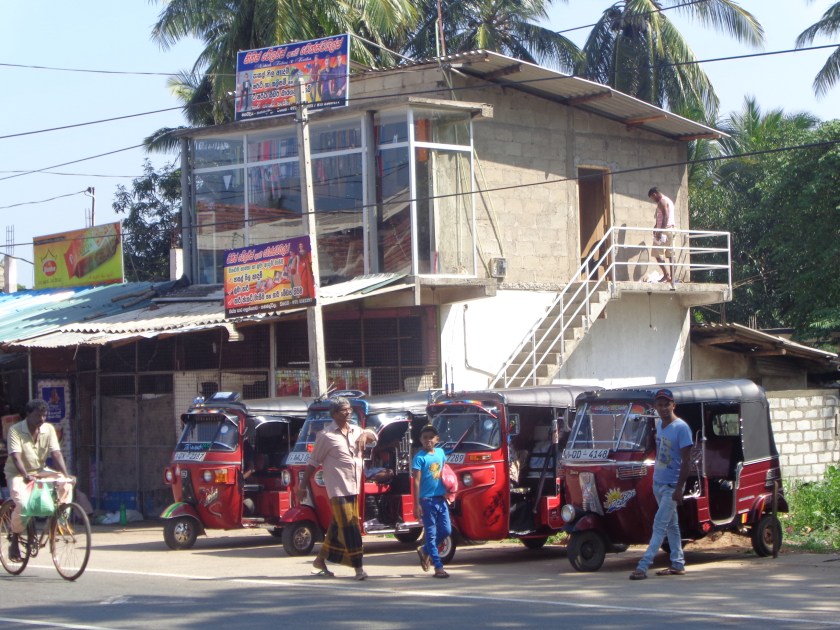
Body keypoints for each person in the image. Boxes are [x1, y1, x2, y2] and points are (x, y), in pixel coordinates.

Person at [295, 397, 377, 580]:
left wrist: (366, 435)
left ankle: (319, 561)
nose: (348, 413)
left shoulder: (357, 430)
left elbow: (374, 435)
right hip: (338, 490)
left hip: (354, 488)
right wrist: (301, 486)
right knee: (351, 527)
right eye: (343, 410)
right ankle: (358, 568)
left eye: (349, 409)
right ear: (334, 414)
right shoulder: (326, 436)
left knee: (336, 527)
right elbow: (312, 462)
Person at [629, 388, 693, 580]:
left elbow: (687, 461)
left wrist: (679, 488)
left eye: (667, 404)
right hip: (658, 483)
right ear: (655, 407)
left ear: (674, 405)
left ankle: (643, 565)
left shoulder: (682, 428)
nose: (663, 408)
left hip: (672, 486)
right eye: (660, 405)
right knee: (671, 525)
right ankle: (677, 563)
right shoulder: (660, 425)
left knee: (659, 525)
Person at [4, 399, 74, 562]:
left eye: (44, 415)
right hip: (17, 473)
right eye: (38, 415)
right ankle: (14, 538)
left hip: (40, 471)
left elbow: (56, 453)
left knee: (66, 484)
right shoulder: (15, 430)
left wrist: (65, 474)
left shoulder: (48, 429)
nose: (42, 419)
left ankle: (59, 518)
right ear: (28, 415)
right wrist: (26, 476)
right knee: (22, 504)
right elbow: (15, 457)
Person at [412, 424, 452, 578]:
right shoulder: (419, 458)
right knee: (431, 534)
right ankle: (438, 567)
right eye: (424, 437)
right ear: (420, 440)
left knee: (447, 530)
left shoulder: (441, 453)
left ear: (437, 439)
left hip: (441, 498)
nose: (428, 440)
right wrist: (416, 505)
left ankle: (426, 550)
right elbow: (416, 481)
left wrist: (449, 488)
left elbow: (445, 472)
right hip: (427, 500)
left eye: (431, 437)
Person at [648, 187, 676, 289]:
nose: (653, 200)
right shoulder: (668, 200)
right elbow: (660, 218)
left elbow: (666, 216)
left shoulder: (662, 201)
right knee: (670, 255)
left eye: (652, 198)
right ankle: (672, 278)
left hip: (665, 231)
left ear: (655, 194)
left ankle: (666, 275)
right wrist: (656, 227)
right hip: (671, 230)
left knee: (656, 253)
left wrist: (660, 231)